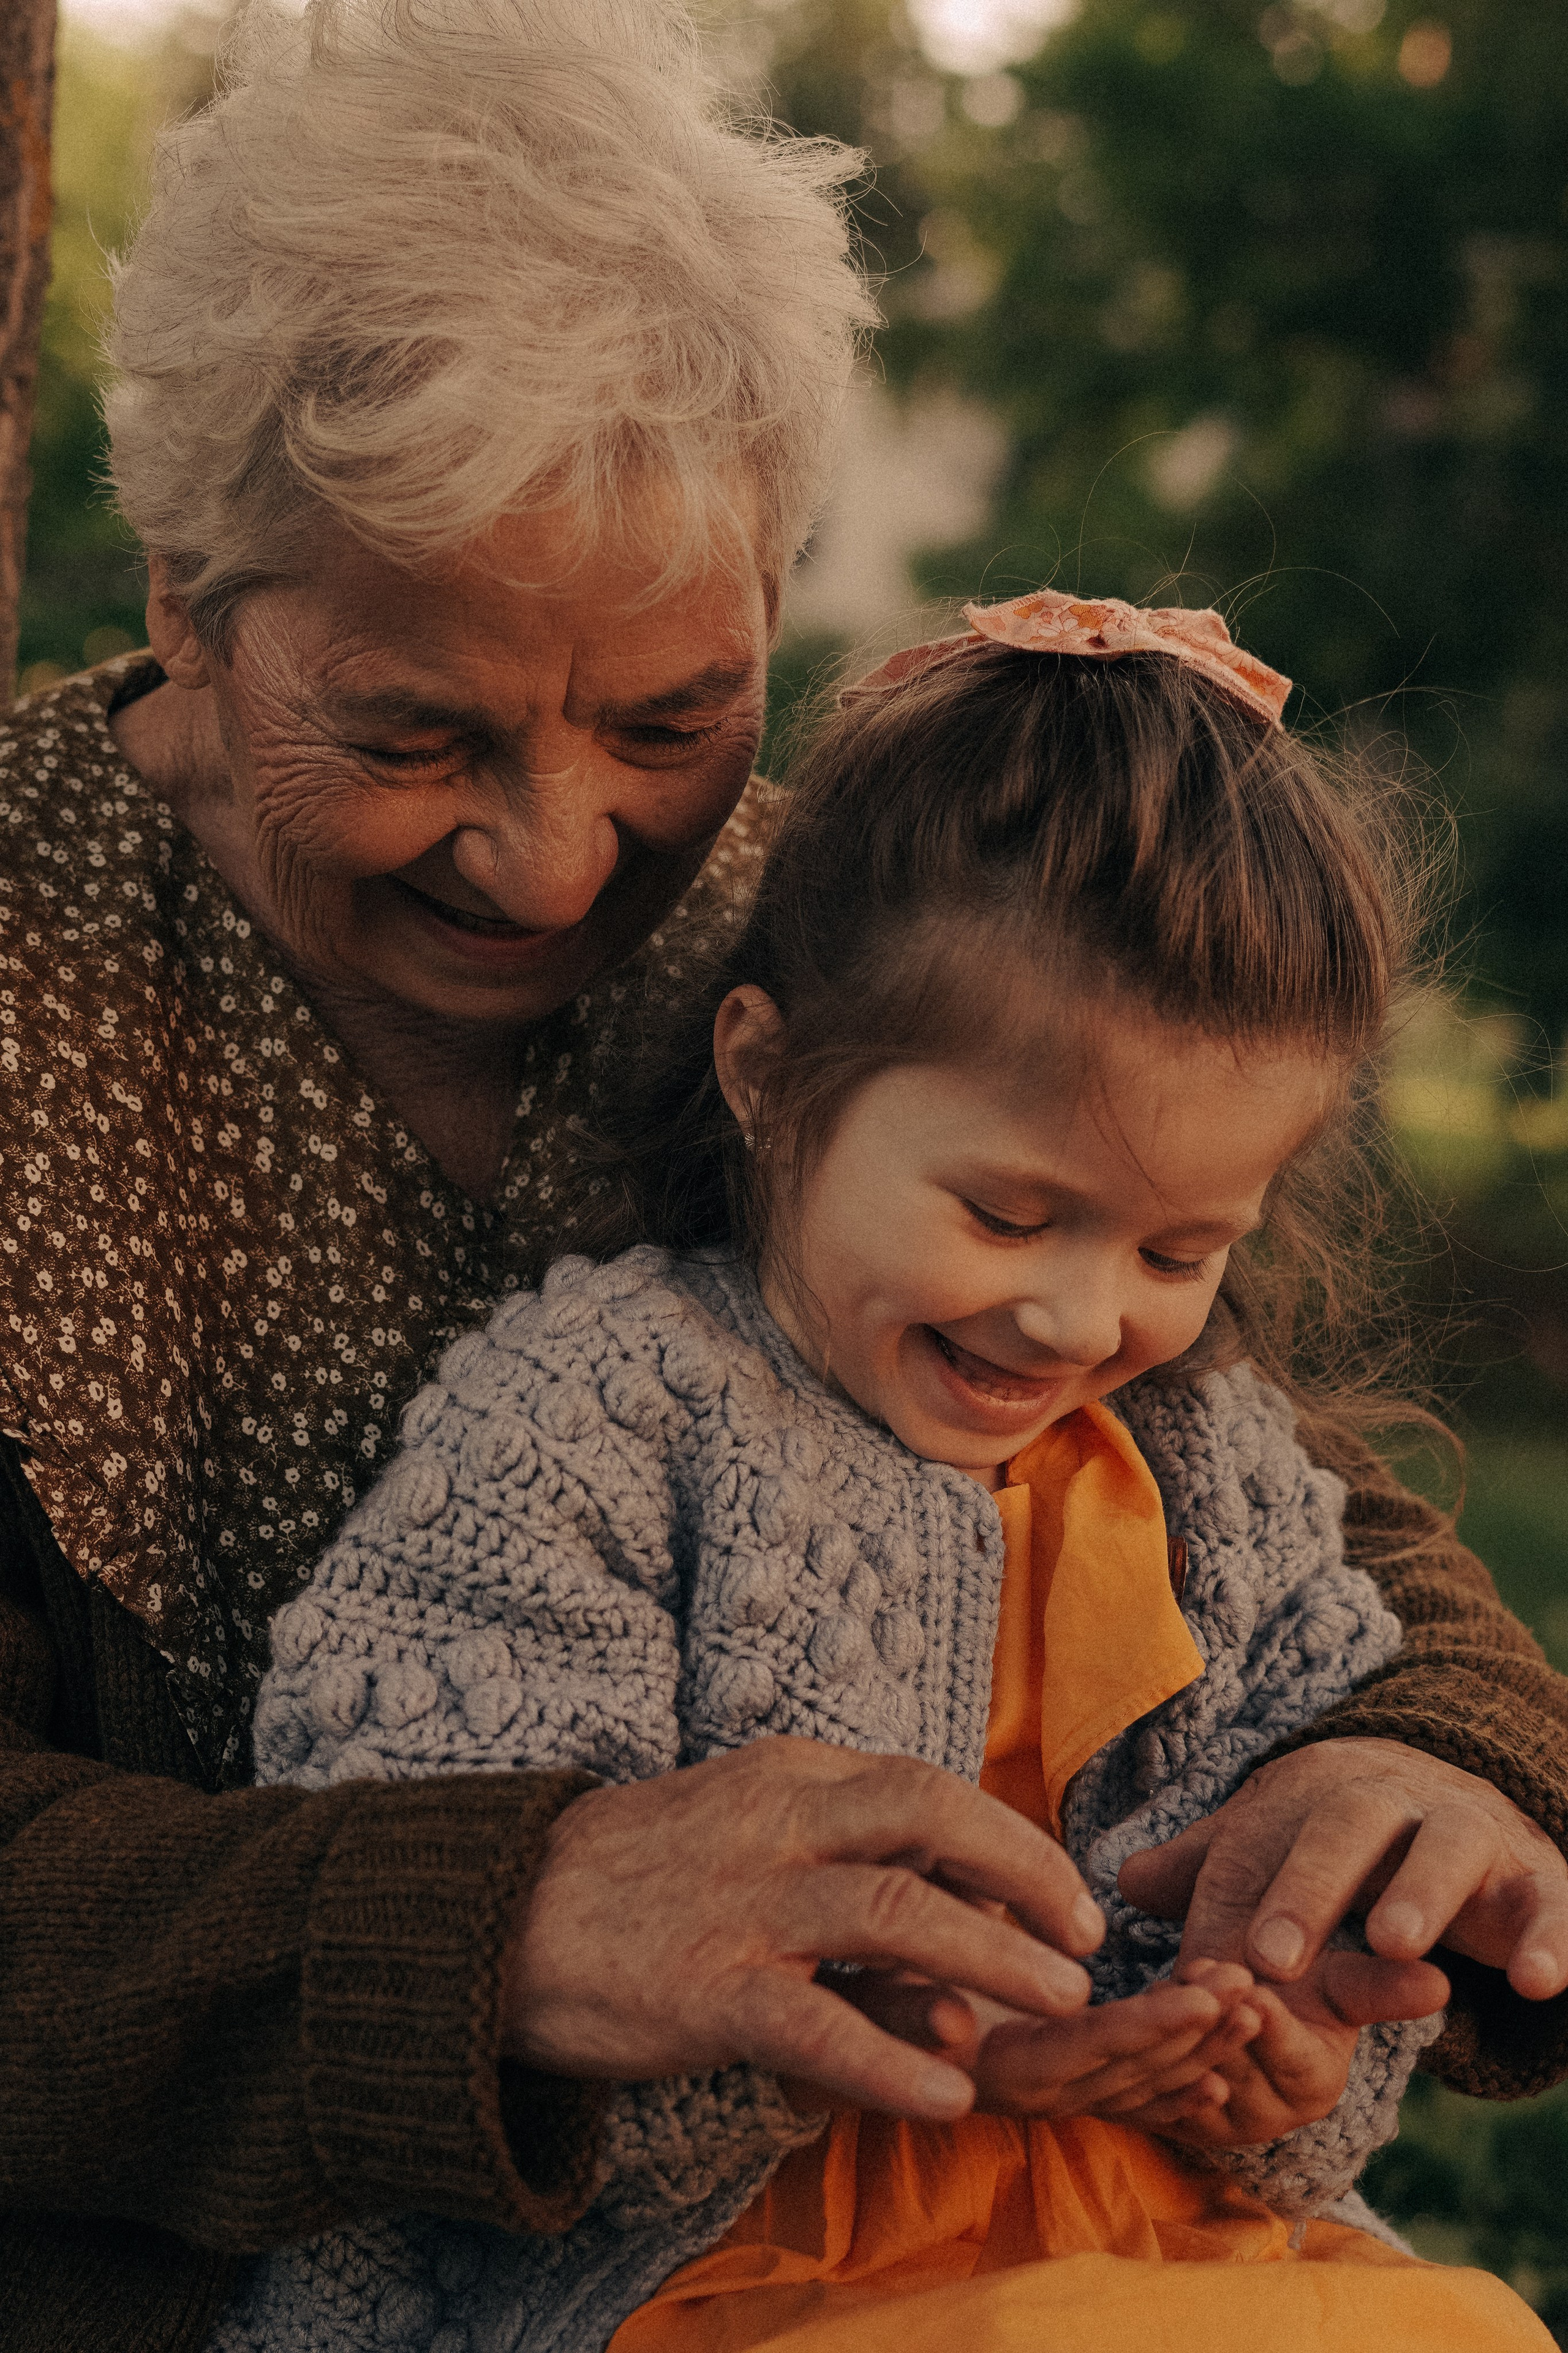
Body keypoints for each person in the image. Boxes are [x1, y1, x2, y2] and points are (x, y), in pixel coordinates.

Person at [0, 1, 1565, 2347]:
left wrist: (1416, 1759)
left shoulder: (827, 937)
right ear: (183, 605)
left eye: (667, 716)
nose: (552, 864)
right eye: (417, 730)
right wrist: (499, 1921)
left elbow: (1248, 1477)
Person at [228, 589, 1550, 2352]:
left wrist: (1279, 2055)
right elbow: (456, 1901)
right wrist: (936, 2042)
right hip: (701, 2268)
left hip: (1143, 2223)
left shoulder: (1217, 1474)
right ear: (770, 1076)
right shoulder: (607, 1412)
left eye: (1180, 1248)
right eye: (1009, 1211)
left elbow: (1306, 1872)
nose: (1081, 1315)